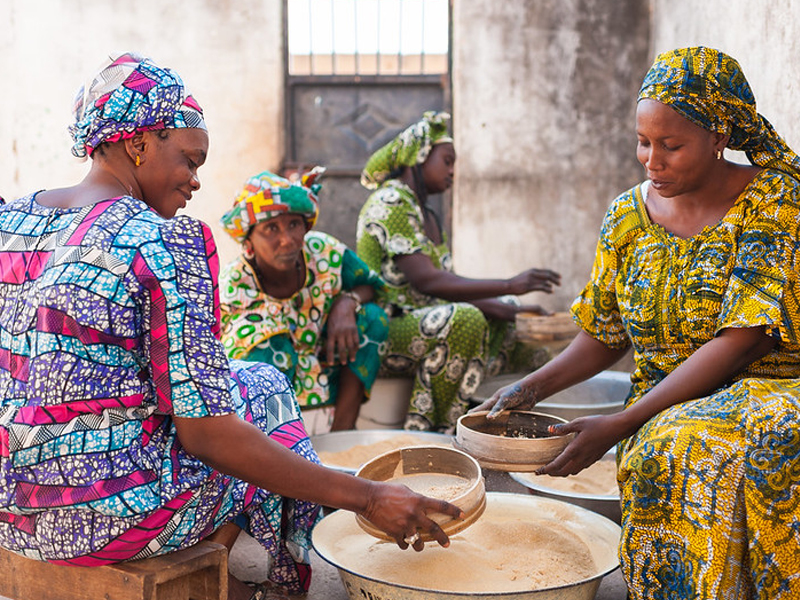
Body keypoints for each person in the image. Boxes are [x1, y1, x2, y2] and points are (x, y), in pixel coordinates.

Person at [0, 52, 462, 600]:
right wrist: (367, 497)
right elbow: (208, 436)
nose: (195, 181)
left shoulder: (13, 220)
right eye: (190, 160)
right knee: (263, 391)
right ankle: (278, 584)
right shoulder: (161, 240)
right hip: (102, 520)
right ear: (139, 143)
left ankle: (223, 575)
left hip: (11, 510)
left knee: (234, 390)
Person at [474, 47, 800, 600]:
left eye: (671, 145)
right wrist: (528, 389)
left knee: (680, 443)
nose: (652, 161)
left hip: (769, 389)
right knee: (661, 442)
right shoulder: (627, 216)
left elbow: (744, 341)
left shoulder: (775, 200)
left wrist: (624, 422)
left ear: (719, 137)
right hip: (662, 403)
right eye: (643, 142)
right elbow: (604, 334)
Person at [356, 111, 562, 432]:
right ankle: (437, 432)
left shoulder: (426, 214)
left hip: (423, 321)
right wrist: (511, 283)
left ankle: (507, 427)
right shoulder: (391, 201)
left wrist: (514, 312)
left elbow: (443, 292)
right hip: (383, 329)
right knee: (464, 320)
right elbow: (429, 281)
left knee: (514, 326)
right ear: (419, 157)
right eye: (447, 161)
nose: (452, 171)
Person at [218, 168, 389, 433]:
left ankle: (342, 435)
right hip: (268, 396)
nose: (287, 240)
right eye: (271, 228)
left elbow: (371, 285)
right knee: (263, 340)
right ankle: (279, 442)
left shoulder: (325, 253)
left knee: (373, 318)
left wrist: (347, 302)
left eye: (294, 225)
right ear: (248, 239)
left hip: (326, 371)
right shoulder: (235, 284)